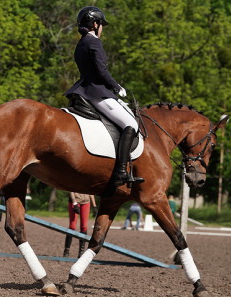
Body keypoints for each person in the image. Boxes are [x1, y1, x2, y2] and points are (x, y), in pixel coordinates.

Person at [64, 6, 144, 187]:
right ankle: (121, 172)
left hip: (84, 90)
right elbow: (101, 70)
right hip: (97, 92)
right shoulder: (94, 42)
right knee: (130, 124)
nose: (102, 29)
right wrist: (116, 86)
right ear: (95, 24)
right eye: (102, 25)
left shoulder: (81, 43)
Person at [63, 192, 96, 258]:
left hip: (86, 202)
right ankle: (67, 250)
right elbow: (71, 190)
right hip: (75, 202)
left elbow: (91, 191)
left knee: (84, 227)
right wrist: (74, 203)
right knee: (72, 226)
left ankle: (81, 252)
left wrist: (94, 206)